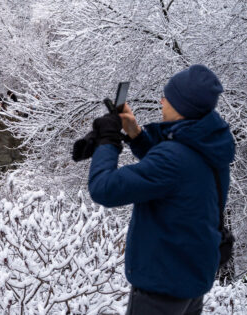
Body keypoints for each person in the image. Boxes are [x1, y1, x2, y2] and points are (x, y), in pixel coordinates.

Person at [84, 65, 235, 315]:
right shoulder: (210, 144)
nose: (161, 101)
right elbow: (173, 173)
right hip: (191, 281)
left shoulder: (173, 159)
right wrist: (136, 134)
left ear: (183, 106)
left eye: (168, 97)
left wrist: (107, 141)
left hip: (161, 289)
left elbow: (104, 188)